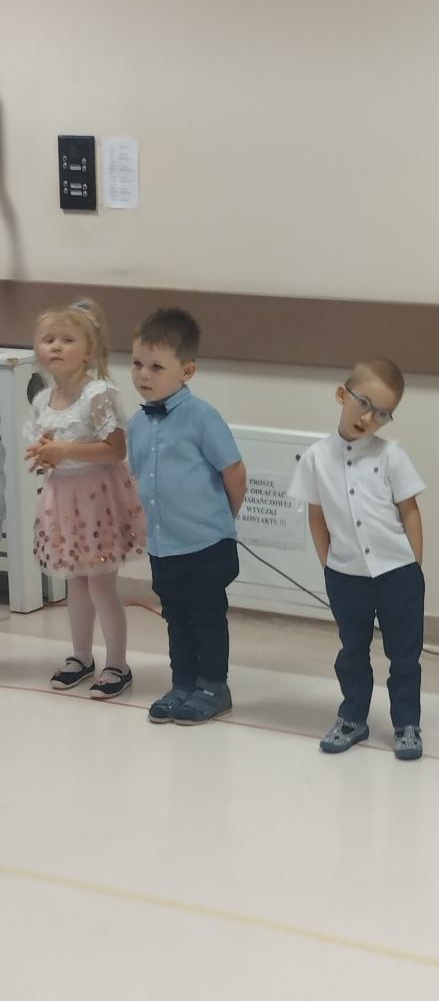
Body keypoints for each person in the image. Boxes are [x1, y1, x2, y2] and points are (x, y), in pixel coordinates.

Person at [289, 359, 426, 760]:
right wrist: (329, 564)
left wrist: (414, 566)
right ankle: (352, 717)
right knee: (352, 651)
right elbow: (316, 517)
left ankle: (407, 723)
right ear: (341, 394)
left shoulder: (391, 455)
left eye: (382, 413)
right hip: (346, 575)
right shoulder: (315, 458)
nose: (368, 418)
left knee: (404, 655)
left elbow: (410, 511)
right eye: (363, 403)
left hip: (397, 573)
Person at [128, 308, 246, 725]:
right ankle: (182, 684)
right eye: (137, 363)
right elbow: (140, 478)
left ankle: (213, 686)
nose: (143, 374)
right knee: (175, 617)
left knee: (206, 616)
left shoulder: (202, 417)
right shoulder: (137, 424)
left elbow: (234, 471)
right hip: (165, 545)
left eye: (156, 366)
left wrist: (225, 519)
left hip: (206, 544)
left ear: (187, 371)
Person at [24, 298, 145, 698]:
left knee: (101, 585)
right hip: (64, 499)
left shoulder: (99, 393)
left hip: (98, 501)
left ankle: (118, 664)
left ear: (89, 350)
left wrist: (64, 451)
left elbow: (115, 449)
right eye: (48, 340)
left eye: (67, 339)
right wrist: (45, 454)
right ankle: (81, 656)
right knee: (76, 582)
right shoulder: (43, 399)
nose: (55, 347)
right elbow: (49, 446)